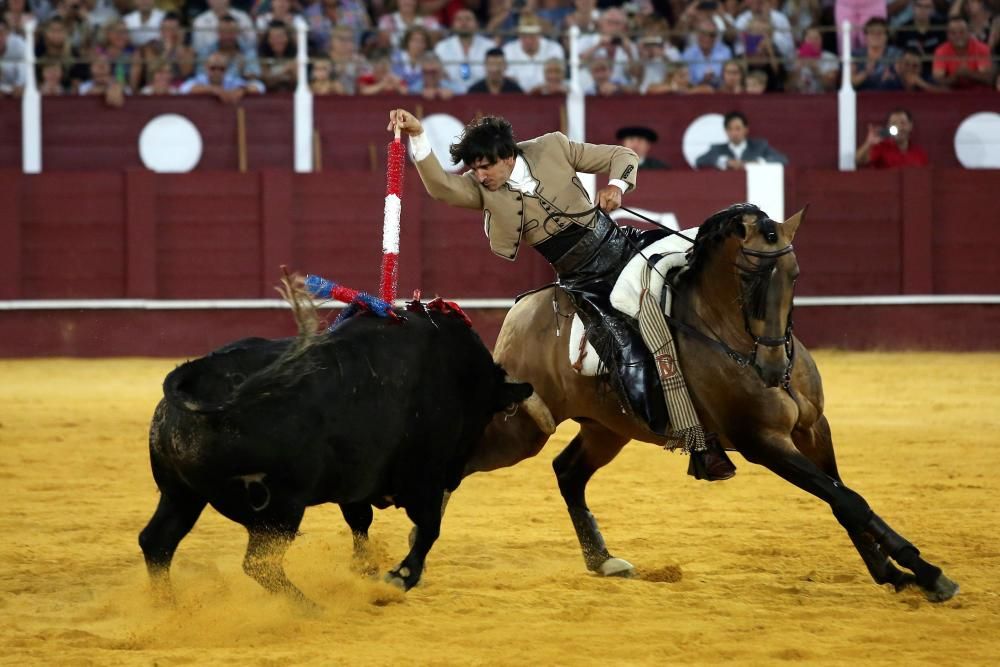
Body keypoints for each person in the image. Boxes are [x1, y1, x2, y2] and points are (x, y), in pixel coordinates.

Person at [386, 108, 737, 481]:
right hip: (585, 281)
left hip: (623, 247)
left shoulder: (551, 147)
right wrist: (419, 135)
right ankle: (696, 440)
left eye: (485, 166)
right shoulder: (481, 191)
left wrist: (617, 186)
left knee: (702, 277)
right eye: (474, 169)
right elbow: (440, 186)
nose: (480, 175)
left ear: (507, 156)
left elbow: (623, 156)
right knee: (628, 355)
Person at [695, 111, 788, 170]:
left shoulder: (759, 146)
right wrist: (725, 162)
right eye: (730, 129)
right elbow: (699, 161)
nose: (734, 133)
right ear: (725, 131)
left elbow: (782, 160)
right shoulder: (718, 149)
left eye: (738, 128)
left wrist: (755, 163)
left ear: (746, 129)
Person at [432, 7, 494, 94]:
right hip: (450, 95)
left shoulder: (489, 46)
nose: (464, 23)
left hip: (482, 94)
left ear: (477, 24)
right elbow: (437, 75)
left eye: (468, 19)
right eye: (459, 19)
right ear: (453, 25)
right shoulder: (441, 47)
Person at [502, 13, 566, 93]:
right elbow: (508, 80)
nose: (528, 40)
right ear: (519, 35)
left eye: (532, 35)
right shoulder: (508, 50)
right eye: (525, 36)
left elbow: (557, 78)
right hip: (517, 96)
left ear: (539, 34)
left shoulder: (554, 48)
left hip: (546, 95)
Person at [932, 16, 994, 89]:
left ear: (969, 32)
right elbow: (938, 80)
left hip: (977, 94)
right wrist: (955, 76)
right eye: (953, 33)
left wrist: (969, 73)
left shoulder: (982, 48)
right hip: (952, 93)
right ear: (947, 35)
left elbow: (988, 78)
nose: (958, 36)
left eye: (962, 32)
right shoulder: (941, 51)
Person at [855, 108, 929, 168]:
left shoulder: (919, 153)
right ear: (888, 127)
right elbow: (857, 161)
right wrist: (868, 143)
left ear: (910, 126)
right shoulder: (881, 147)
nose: (899, 127)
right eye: (894, 123)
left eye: (903, 123)